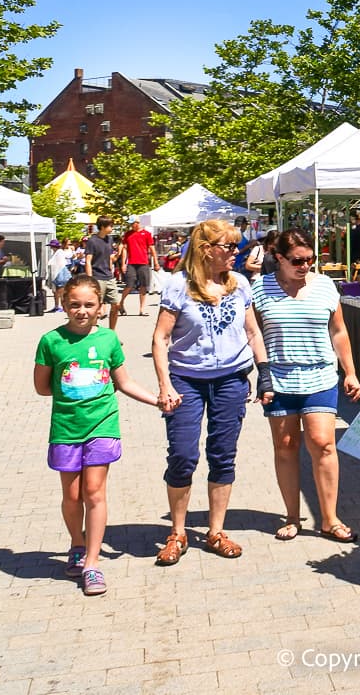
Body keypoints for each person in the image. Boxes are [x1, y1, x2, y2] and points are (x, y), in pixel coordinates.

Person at [151, 219, 269, 565]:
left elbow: (252, 332)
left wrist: (265, 373)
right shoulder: (178, 286)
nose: (237, 253)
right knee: (183, 456)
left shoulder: (240, 284)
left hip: (231, 379)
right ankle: (178, 532)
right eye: (229, 247)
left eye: (237, 246)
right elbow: (160, 339)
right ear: (206, 249)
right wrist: (164, 384)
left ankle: (216, 531)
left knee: (222, 453)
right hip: (186, 380)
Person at [33, 274, 158, 595]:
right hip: (66, 428)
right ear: (63, 305)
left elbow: (124, 382)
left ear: (101, 307)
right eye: (74, 304)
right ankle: (77, 544)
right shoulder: (51, 342)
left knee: (94, 492)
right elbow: (42, 387)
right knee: (72, 495)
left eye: (89, 305)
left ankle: (92, 562)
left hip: (102, 426)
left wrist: (157, 399)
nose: (82, 311)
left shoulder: (108, 341)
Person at [252, 228, 360, 542]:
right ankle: (291, 516)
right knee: (286, 448)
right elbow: (254, 335)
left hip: (320, 377)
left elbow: (338, 331)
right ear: (279, 259)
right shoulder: (260, 288)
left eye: (310, 260)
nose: (305, 266)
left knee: (323, 443)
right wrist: (258, 375)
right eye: (297, 261)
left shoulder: (325, 285)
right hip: (279, 379)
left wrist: (350, 372)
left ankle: (329, 518)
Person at [117, 218, 158, 316]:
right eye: (131, 224)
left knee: (143, 286)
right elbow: (125, 249)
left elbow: (152, 249)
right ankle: (121, 302)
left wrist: (156, 262)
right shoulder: (128, 234)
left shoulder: (146, 234)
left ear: (138, 223)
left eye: (133, 224)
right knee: (129, 284)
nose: (132, 226)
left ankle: (142, 309)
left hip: (143, 262)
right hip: (131, 263)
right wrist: (123, 263)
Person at [85, 217, 121, 330]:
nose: (112, 228)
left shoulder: (109, 239)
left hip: (109, 277)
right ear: (102, 227)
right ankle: (94, 332)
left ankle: (111, 333)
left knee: (116, 304)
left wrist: (118, 254)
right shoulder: (92, 241)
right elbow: (88, 261)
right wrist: (90, 279)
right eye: (110, 226)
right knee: (96, 306)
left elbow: (110, 258)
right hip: (97, 277)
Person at [47, 239, 73, 311]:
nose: (51, 248)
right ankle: (57, 306)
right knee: (56, 291)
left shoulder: (60, 252)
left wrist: (70, 249)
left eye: (52, 246)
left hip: (60, 273)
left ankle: (62, 306)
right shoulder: (56, 253)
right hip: (57, 273)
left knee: (60, 291)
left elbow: (60, 263)